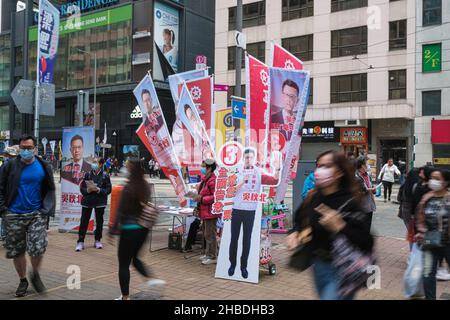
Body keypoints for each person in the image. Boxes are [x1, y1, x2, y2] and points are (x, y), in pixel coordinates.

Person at [286, 150, 374, 300]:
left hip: (344, 268)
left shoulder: (351, 201)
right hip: (319, 265)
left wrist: (341, 226)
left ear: (339, 172)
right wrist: (295, 232)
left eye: (327, 166)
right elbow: (300, 217)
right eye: (318, 166)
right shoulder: (314, 196)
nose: (320, 170)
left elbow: (367, 241)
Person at [0, 135, 56, 297]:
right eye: (23, 148)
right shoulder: (10, 165)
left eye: (29, 148)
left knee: (38, 248)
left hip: (36, 214)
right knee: (17, 251)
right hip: (13, 214)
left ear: (35, 148)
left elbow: (50, 189)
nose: (26, 151)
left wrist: (46, 209)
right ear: (19, 149)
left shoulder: (43, 165)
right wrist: (4, 210)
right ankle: (23, 280)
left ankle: (35, 274)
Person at [109, 160, 165, 300]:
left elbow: (120, 212)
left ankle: (125, 297)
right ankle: (153, 280)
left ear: (131, 170)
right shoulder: (145, 185)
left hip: (129, 229)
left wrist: (112, 230)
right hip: (143, 229)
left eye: (127, 168)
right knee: (135, 259)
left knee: (123, 265)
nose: (125, 170)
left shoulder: (128, 188)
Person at [228, 148, 281, 279]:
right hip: (236, 209)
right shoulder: (236, 171)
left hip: (250, 211)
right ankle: (232, 264)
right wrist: (242, 181)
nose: (249, 160)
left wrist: (277, 168)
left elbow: (274, 180)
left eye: (251, 157)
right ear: (243, 158)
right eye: (246, 157)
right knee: (234, 238)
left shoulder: (258, 172)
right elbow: (230, 191)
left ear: (254, 159)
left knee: (247, 239)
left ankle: (243, 267)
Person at [415, 169, 450, 299]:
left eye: (437, 178)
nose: (433, 181)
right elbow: (420, 218)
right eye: (432, 178)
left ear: (445, 182)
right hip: (430, 242)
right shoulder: (426, 198)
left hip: (448, 243)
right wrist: (421, 232)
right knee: (428, 274)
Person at [76, 158, 112, 251]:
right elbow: (82, 188)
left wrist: (98, 190)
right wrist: (88, 190)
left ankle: (97, 240)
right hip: (88, 201)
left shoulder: (105, 175)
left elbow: (108, 190)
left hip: (100, 201)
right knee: (84, 221)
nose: (93, 164)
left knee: (99, 222)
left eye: (95, 162)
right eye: (93, 162)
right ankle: (80, 241)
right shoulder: (87, 174)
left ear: (101, 164)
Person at [190, 159, 217, 265]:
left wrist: (201, 198)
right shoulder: (206, 179)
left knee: (210, 234)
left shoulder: (212, 180)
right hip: (205, 211)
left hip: (210, 212)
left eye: (203, 166)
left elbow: (215, 196)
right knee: (206, 234)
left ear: (209, 168)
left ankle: (212, 256)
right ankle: (208, 254)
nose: (201, 168)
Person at [0, 146, 19, 242]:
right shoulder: (7, 165)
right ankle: (5, 235)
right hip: (7, 195)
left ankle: (5, 235)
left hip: (10, 195)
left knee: (6, 217)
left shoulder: (8, 164)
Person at [355, 156, 376, 230]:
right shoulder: (356, 176)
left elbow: (369, 186)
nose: (368, 165)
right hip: (361, 205)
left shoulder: (367, 175)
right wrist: (370, 189)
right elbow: (362, 190)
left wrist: (373, 189)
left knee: (368, 225)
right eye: (366, 163)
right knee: (361, 227)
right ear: (361, 165)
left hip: (369, 204)